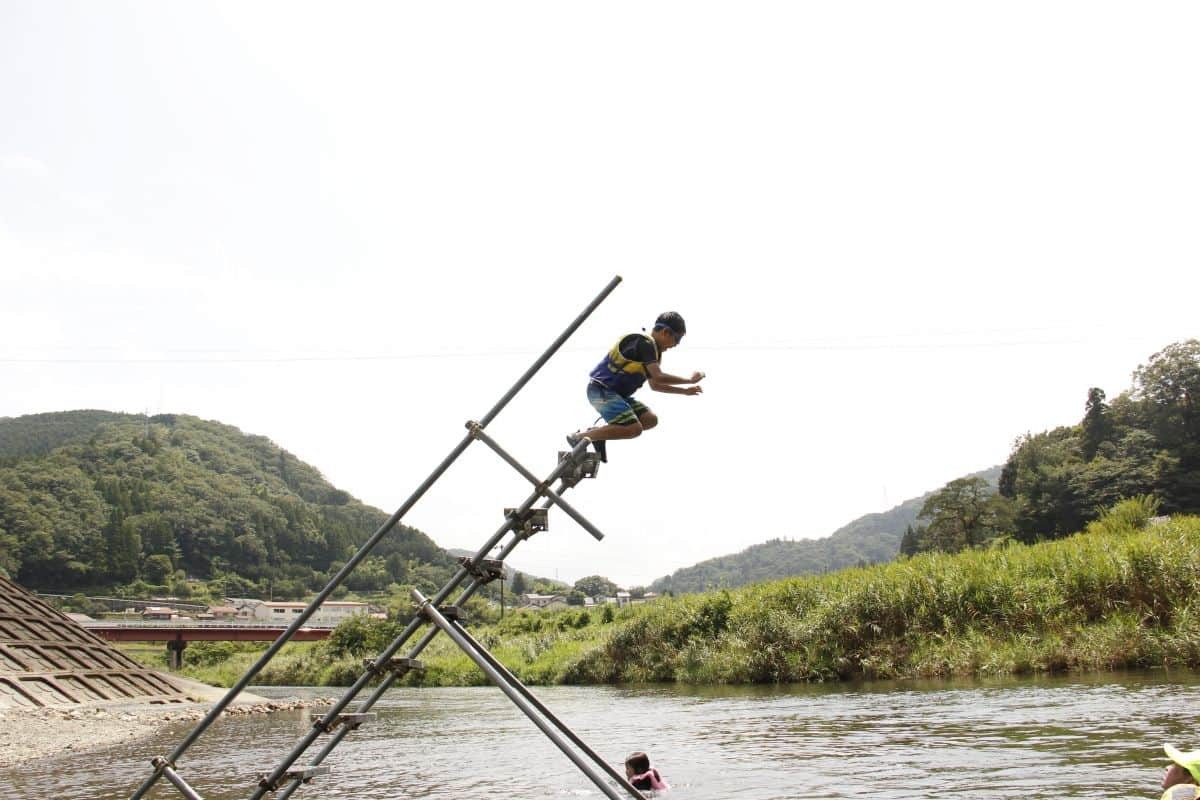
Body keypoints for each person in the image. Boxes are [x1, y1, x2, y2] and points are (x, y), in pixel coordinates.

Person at [567, 311, 704, 462]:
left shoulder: (654, 352)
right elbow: (659, 376)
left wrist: (685, 392)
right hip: (601, 391)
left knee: (649, 419)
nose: (675, 345)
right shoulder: (644, 344)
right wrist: (689, 380)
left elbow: (656, 385)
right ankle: (578, 437)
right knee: (634, 428)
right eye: (677, 340)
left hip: (617, 396)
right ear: (666, 332)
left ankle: (597, 435)